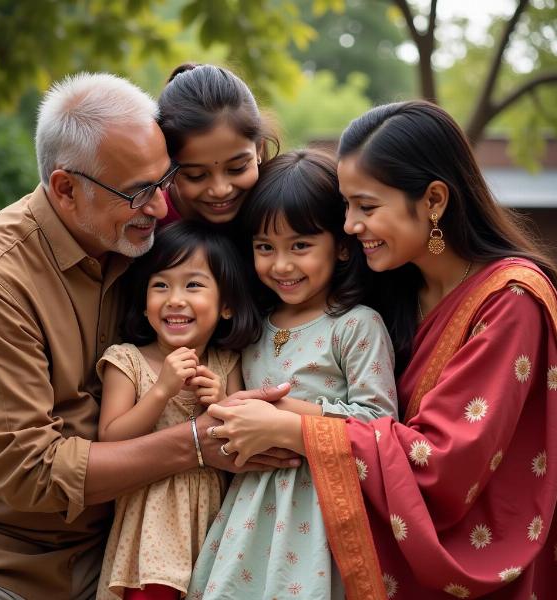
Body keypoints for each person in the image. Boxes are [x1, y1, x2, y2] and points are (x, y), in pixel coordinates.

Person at [0, 72, 296, 600]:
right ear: (66, 189)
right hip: (14, 558)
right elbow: (31, 471)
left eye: (165, 182)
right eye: (140, 192)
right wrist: (197, 444)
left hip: (144, 536)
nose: (163, 208)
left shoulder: (141, 245)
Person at [204, 102, 557, 599]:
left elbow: (441, 465)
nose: (349, 225)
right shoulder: (392, 288)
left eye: (366, 207)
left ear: (434, 200)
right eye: (346, 206)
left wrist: (294, 427)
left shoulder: (511, 301)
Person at [188, 149, 398, 599]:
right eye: (265, 247)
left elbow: (380, 426)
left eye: (300, 246)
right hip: (249, 513)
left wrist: (283, 413)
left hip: (322, 512)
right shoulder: (253, 327)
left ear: (341, 245)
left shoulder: (355, 325)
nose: (281, 265)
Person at [96, 221, 261, 600]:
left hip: (214, 523)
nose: (175, 299)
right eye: (161, 285)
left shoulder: (226, 363)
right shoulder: (128, 361)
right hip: (151, 526)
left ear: (227, 305)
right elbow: (110, 439)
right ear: (143, 300)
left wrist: (219, 402)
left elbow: (240, 446)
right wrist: (161, 391)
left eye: (193, 285)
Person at [157, 63, 278, 228]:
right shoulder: (148, 226)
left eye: (237, 168)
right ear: (168, 169)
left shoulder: (282, 212)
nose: (220, 190)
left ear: (259, 149)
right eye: (196, 175)